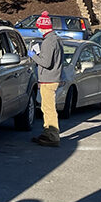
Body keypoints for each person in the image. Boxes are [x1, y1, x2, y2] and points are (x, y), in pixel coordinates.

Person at [28, 11, 64, 147]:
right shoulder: (56, 39)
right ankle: (47, 132)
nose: (37, 29)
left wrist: (33, 55)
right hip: (53, 78)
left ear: (42, 27)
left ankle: (52, 136)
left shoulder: (48, 42)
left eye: (38, 27)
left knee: (48, 108)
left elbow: (46, 62)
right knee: (46, 107)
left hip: (48, 80)